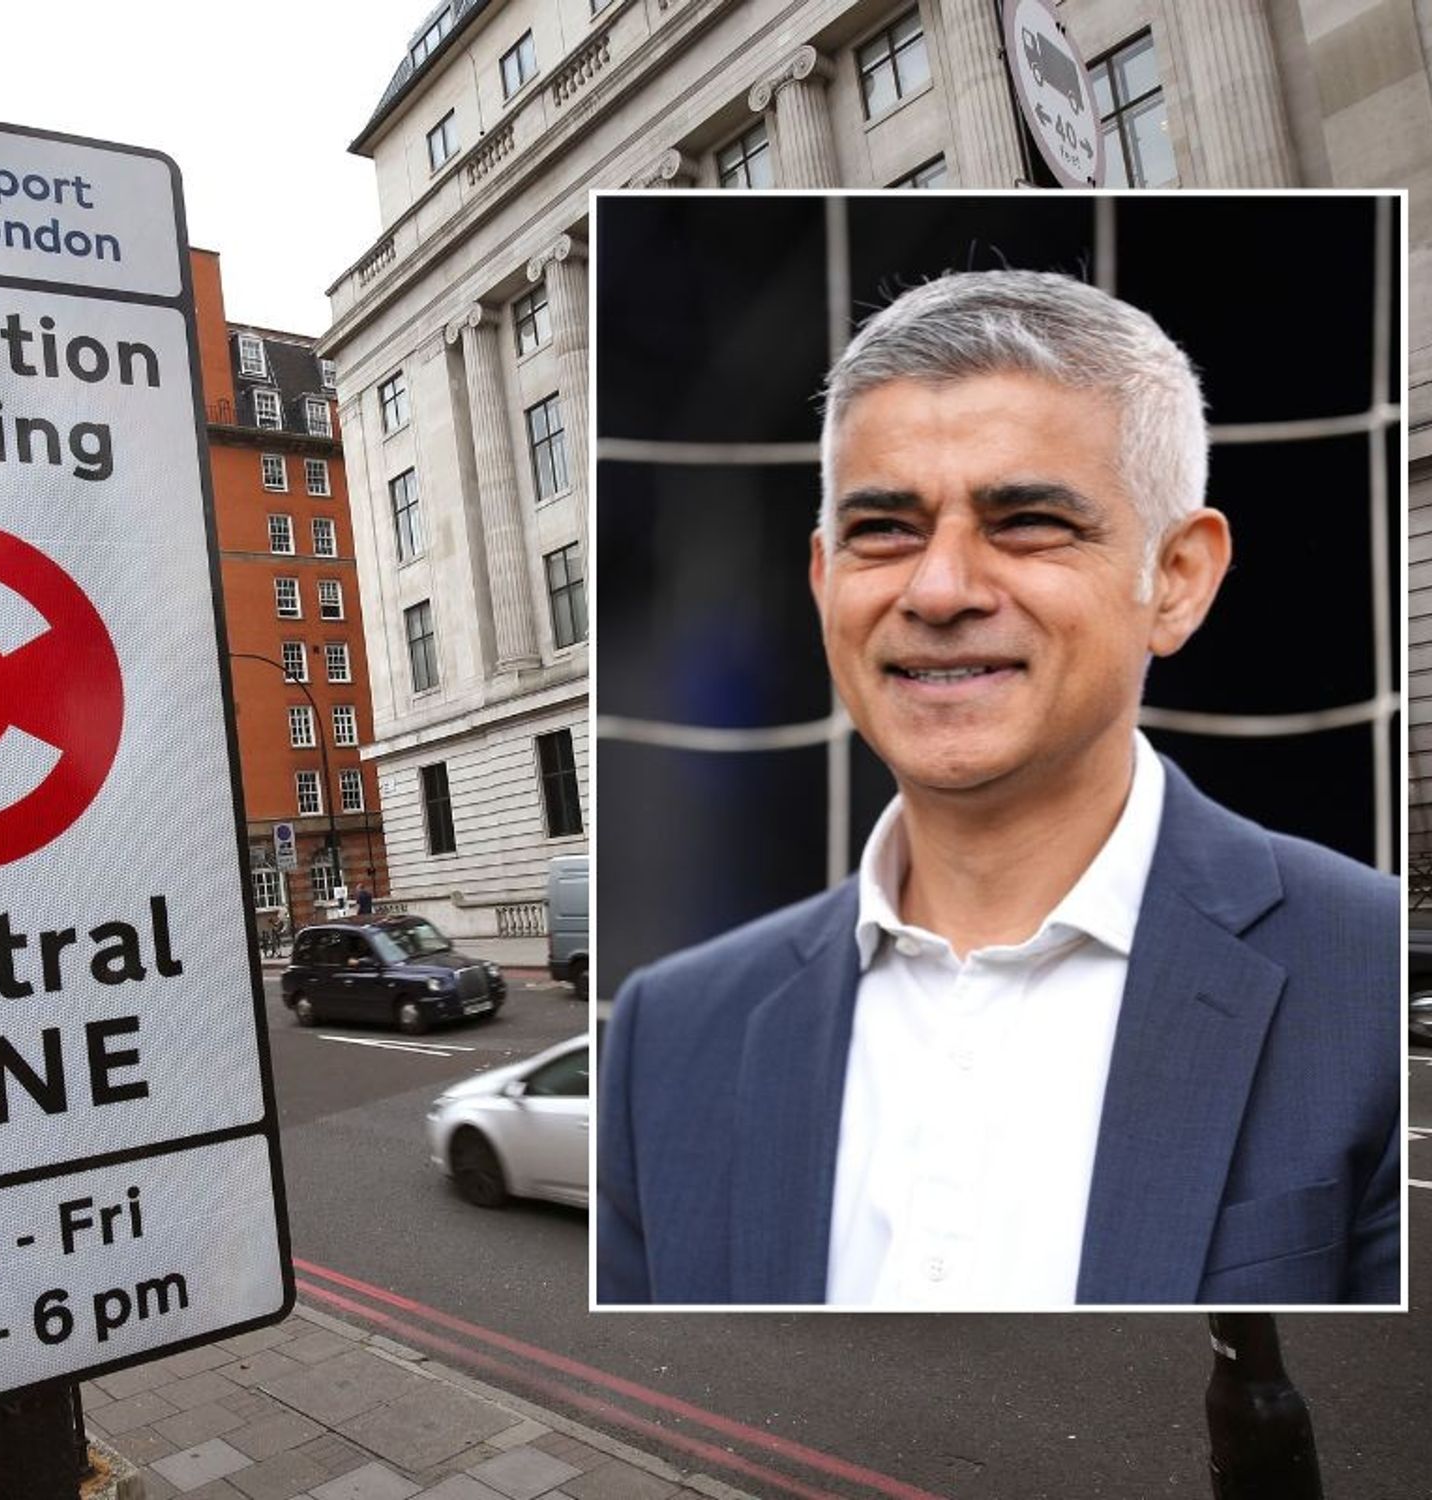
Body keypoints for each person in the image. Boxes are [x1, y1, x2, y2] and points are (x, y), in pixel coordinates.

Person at [596, 271, 1398, 1307]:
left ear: (1180, 579)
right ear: (820, 580)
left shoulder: (1364, 978)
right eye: (882, 528)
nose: (937, 590)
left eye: (1025, 520)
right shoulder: (668, 1031)